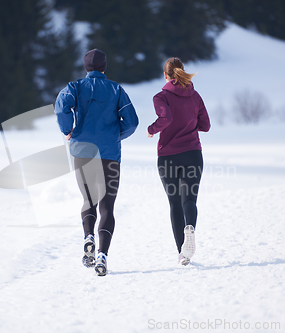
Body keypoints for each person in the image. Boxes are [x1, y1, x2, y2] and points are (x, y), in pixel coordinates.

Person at [55, 49, 138, 276]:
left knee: (88, 199)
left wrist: (67, 130)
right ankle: (102, 255)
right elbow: (132, 122)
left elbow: (62, 106)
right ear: (104, 67)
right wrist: (115, 135)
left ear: (86, 67)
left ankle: (88, 236)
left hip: (82, 151)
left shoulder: (75, 87)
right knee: (107, 206)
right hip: (109, 153)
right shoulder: (116, 89)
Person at [147, 57, 210, 266]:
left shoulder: (161, 96)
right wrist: (189, 126)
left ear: (165, 75)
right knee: (189, 200)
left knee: (174, 204)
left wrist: (151, 129)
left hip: (168, 157)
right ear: (181, 72)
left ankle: (182, 253)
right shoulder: (195, 95)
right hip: (193, 153)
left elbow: (166, 119)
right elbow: (206, 125)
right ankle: (190, 227)